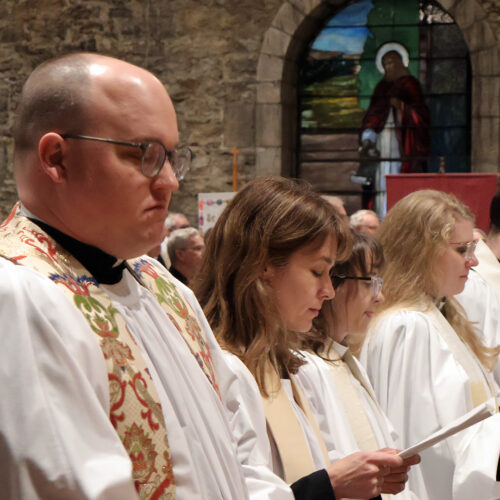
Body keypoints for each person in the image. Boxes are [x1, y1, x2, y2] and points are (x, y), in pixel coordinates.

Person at [0, 53, 291, 499]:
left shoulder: (160, 283)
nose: (171, 181)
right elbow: (72, 485)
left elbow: (240, 445)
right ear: (57, 158)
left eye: (173, 157)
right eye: (145, 155)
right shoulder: (19, 296)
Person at [194, 177, 420, 500]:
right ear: (263, 264)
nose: (328, 291)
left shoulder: (294, 367)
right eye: (317, 272)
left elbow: (322, 464)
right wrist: (330, 486)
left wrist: (366, 479)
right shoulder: (218, 369)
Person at [360, 189, 500, 499]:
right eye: (462, 250)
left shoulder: (438, 313)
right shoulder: (407, 326)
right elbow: (418, 445)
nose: (474, 261)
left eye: (473, 248)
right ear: (419, 251)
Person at [296, 231, 426, 499]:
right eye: (370, 283)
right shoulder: (305, 366)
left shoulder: (344, 358)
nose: (380, 297)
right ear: (334, 283)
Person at [360, 44, 430, 175]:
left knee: (398, 167)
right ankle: (384, 195)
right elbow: (373, 113)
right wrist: (368, 136)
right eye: (385, 64)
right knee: (383, 171)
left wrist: (401, 106)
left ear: (400, 62)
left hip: (403, 138)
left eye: (390, 62)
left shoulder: (410, 84)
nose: (387, 67)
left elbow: (421, 114)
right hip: (383, 138)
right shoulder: (381, 87)